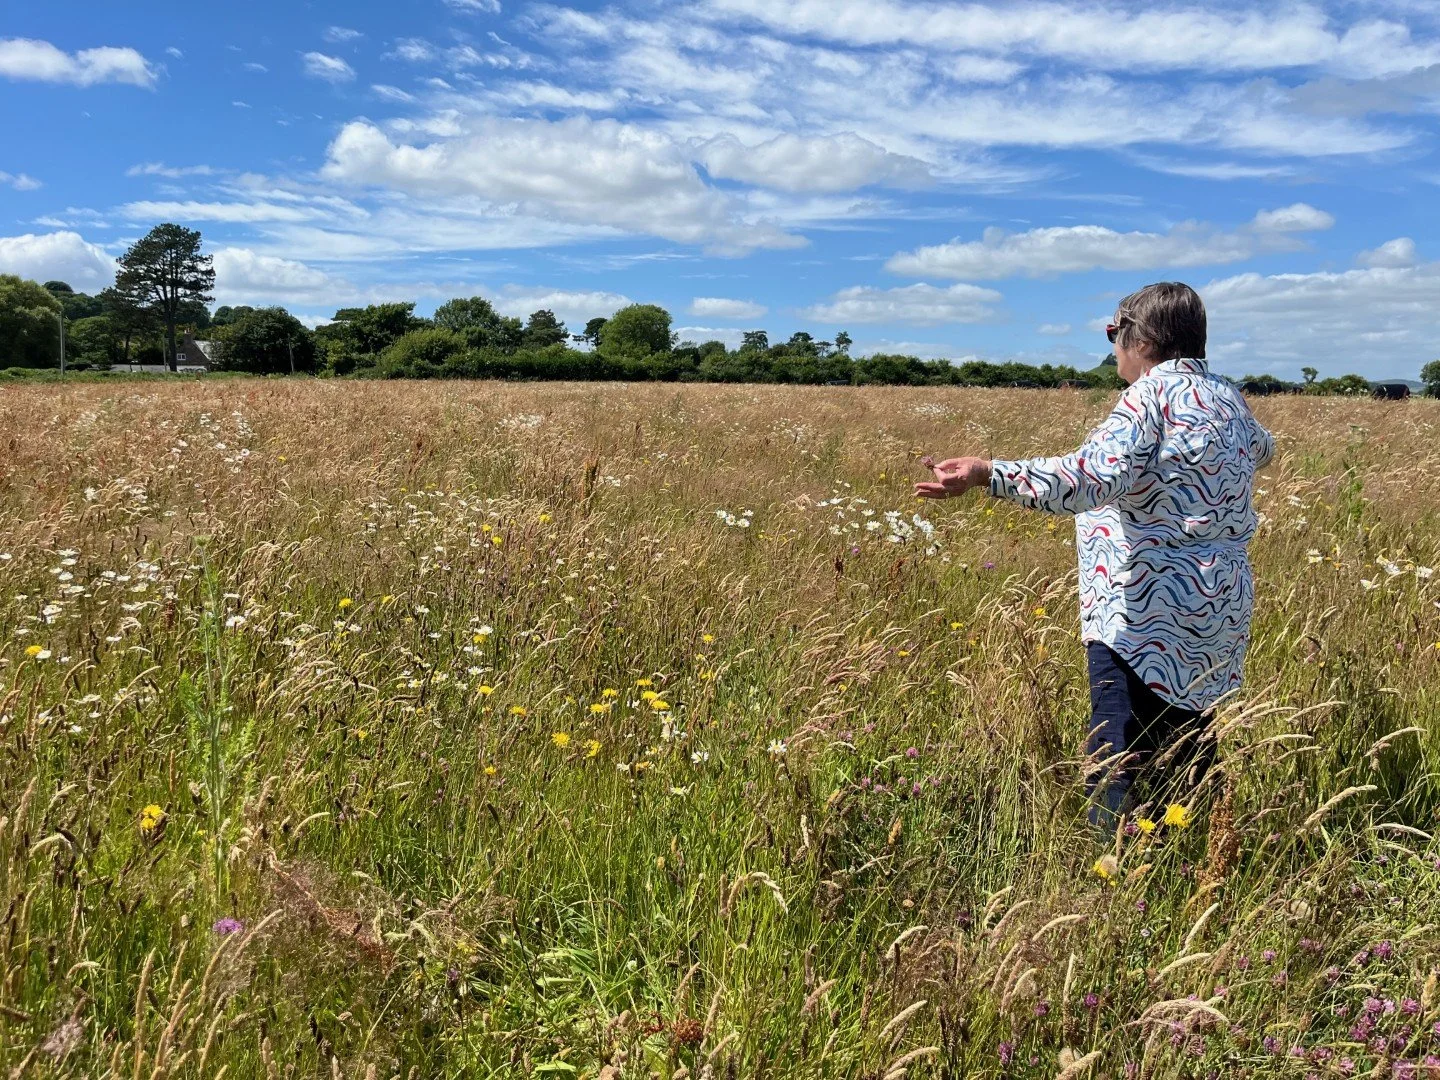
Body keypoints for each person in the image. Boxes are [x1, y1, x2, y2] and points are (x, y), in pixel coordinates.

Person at [915, 282, 1275, 829]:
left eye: (1114, 332)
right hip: (1218, 607)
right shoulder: (1228, 398)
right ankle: (1201, 852)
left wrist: (988, 472)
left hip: (1145, 611)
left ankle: (1117, 881)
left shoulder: (1148, 398)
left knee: (1119, 751)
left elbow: (1088, 480)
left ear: (1143, 338)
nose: (1111, 346)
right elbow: (1264, 450)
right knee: (1188, 741)